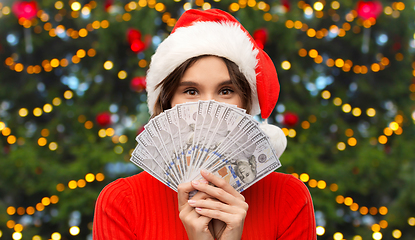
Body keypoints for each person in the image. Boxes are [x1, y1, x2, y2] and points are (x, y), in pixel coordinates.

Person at [93, 9, 316, 240]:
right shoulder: (120, 201)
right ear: (167, 103)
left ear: (246, 103)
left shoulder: (289, 197)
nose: (210, 108)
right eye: (191, 91)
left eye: (226, 91)